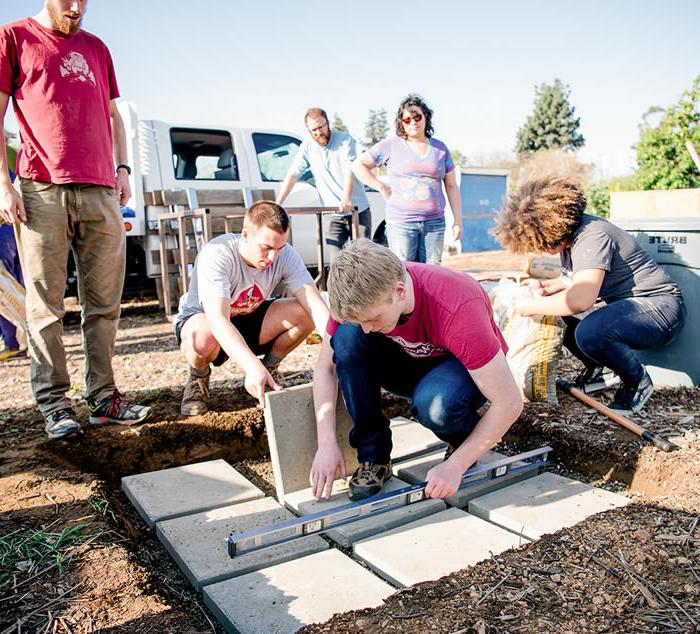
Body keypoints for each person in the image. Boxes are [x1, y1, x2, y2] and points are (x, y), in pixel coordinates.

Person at [0, 0, 152, 440]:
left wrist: (122, 170)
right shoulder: (14, 37)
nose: (77, 7)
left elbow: (113, 114)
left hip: (101, 189)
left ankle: (104, 399)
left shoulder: (97, 47)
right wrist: (4, 185)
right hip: (41, 188)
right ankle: (54, 405)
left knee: (104, 303)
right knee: (45, 305)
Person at [310, 239, 522, 501]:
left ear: (399, 291)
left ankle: (461, 440)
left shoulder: (456, 306)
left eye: (373, 319)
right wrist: (326, 443)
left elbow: (510, 402)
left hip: (458, 370)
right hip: (408, 363)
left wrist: (456, 465)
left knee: (436, 408)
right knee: (347, 338)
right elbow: (325, 368)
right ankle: (373, 456)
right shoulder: (358, 295)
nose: (366, 328)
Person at [493, 177, 686, 415]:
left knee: (590, 331)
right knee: (559, 316)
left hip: (659, 308)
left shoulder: (593, 236)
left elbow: (579, 300)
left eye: (539, 243)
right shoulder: (572, 238)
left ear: (550, 228)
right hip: (627, 307)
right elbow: (575, 280)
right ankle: (598, 369)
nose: (539, 250)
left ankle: (637, 381)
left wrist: (531, 305)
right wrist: (545, 286)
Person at [175, 200, 330, 415]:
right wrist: (250, 366)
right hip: (207, 320)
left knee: (304, 313)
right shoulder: (217, 254)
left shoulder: (285, 255)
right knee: (203, 336)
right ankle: (198, 377)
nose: (273, 257)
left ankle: (269, 369)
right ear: (245, 235)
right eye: (266, 248)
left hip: (249, 314)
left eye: (280, 248)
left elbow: (314, 304)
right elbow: (218, 320)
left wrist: (338, 349)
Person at [352, 94, 462, 264]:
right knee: (405, 273)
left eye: (417, 116)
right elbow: (358, 165)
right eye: (407, 119)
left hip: (434, 223)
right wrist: (380, 186)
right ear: (401, 122)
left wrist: (458, 221)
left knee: (432, 273)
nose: (413, 122)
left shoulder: (440, 149)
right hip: (401, 223)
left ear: (426, 116)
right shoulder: (390, 145)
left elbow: (452, 186)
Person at [276, 107, 372, 261]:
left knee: (363, 259)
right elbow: (293, 174)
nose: (318, 133)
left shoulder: (344, 139)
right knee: (337, 262)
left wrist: (346, 198)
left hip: (357, 210)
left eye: (321, 127)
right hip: (332, 214)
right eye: (313, 130)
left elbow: (350, 169)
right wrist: (278, 203)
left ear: (328, 123)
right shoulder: (307, 146)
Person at [0, 133, 26, 361]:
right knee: (20, 283)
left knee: (5, 289)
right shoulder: (14, 152)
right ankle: (29, 339)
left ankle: (14, 342)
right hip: (16, 226)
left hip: (3, 229)